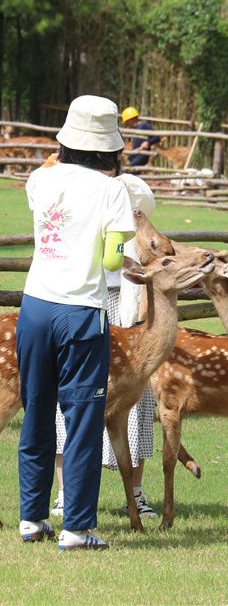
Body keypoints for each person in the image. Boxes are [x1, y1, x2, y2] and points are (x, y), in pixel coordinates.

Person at [16, 94, 136, 551]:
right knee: (83, 419)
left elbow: (51, 164)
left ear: (68, 136)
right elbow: (112, 260)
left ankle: (31, 519)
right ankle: (77, 527)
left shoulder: (39, 179)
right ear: (110, 146)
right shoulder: (113, 192)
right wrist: (117, 247)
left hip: (35, 308)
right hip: (82, 312)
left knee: (38, 412)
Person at [50, 167, 157, 520]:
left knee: (137, 402)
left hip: (128, 303)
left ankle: (136, 494)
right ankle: (66, 494)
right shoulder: (77, 199)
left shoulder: (130, 192)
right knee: (72, 395)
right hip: (88, 302)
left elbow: (143, 204)